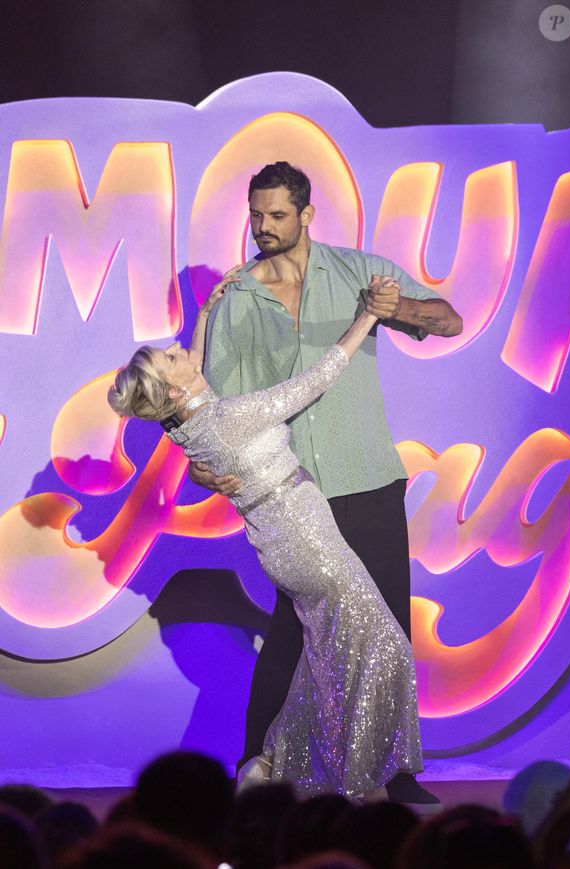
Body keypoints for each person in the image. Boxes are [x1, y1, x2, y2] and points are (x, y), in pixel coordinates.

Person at [190, 161, 463, 807]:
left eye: (277, 215)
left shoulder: (355, 272)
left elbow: (447, 319)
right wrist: (204, 466)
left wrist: (404, 307)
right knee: (294, 626)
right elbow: (219, 403)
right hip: (287, 489)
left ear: (306, 215)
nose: (263, 227)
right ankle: (256, 770)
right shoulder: (237, 299)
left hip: (365, 474)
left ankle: (391, 770)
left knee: (388, 624)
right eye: (256, 214)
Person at [108, 274, 424, 797]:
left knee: (328, 656)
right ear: (173, 387)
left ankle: (279, 765)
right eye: (170, 358)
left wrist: (207, 314)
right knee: (383, 647)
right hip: (307, 540)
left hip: (283, 543)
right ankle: (357, 783)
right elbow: (314, 381)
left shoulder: (188, 426)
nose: (177, 349)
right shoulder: (230, 419)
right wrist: (367, 317)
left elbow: (193, 368)